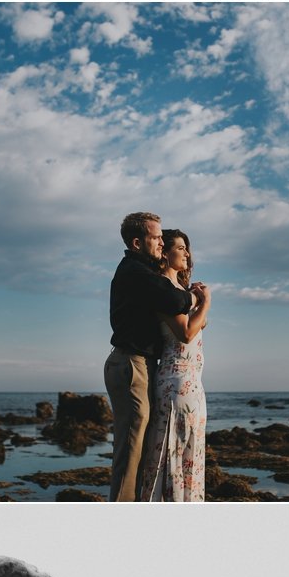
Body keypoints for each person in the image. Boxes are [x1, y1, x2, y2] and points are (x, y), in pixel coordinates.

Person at [105, 212, 210, 501]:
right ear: (138, 242)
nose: (161, 244)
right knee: (131, 451)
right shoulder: (136, 272)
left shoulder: (145, 273)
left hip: (145, 366)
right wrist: (202, 299)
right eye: (157, 238)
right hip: (132, 364)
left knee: (139, 450)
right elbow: (177, 306)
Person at [140, 228, 207, 502]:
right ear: (164, 254)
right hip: (176, 383)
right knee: (173, 456)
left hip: (193, 383)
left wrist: (198, 303)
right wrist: (207, 302)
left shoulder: (180, 292)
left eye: (186, 248)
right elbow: (186, 334)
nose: (187, 253)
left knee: (189, 456)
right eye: (180, 248)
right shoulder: (164, 290)